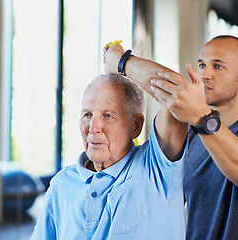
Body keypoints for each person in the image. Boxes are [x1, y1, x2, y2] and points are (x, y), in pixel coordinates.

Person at [103, 35, 238, 239]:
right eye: (202, 65)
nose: (205, 74)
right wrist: (121, 62)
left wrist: (204, 120)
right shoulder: (192, 134)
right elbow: (170, 88)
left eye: (218, 66)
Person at [31, 73, 187, 240]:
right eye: (87, 115)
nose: (93, 128)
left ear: (136, 125)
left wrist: (122, 62)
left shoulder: (155, 169)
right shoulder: (61, 184)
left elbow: (178, 92)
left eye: (107, 115)